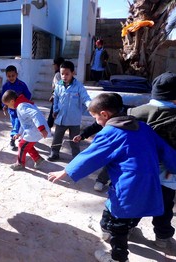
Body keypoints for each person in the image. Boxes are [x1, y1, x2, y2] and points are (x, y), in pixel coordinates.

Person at [48, 93, 176, 262]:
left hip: (127, 189)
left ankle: (118, 257)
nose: (97, 122)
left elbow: (89, 156)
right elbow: (166, 151)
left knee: (118, 227)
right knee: (118, 211)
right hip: (149, 185)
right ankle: (110, 229)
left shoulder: (110, 132)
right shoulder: (143, 127)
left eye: (95, 117)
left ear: (104, 115)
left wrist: (65, 172)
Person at [127, 71, 176, 249]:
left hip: (141, 171)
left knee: (139, 201)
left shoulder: (134, 112)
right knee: (164, 206)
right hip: (168, 175)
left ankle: (129, 228)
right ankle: (162, 238)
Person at [47, 60, 91, 161]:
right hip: (61, 118)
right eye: (62, 74)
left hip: (74, 119)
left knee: (74, 139)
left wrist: (90, 105)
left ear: (73, 73)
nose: (64, 76)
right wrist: (55, 110)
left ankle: (76, 156)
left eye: (67, 74)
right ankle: (54, 153)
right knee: (57, 137)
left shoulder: (79, 86)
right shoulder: (58, 85)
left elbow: (85, 98)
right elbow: (56, 98)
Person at [1, 90, 50, 171]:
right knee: (27, 145)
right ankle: (38, 159)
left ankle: (20, 164)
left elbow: (35, 114)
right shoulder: (21, 105)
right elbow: (24, 122)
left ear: (12, 101)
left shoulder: (21, 107)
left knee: (21, 145)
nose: (8, 107)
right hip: (33, 131)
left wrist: (42, 129)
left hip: (36, 131)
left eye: (8, 105)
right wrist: (19, 133)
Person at [1, 65, 32, 151]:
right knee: (15, 124)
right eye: (9, 76)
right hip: (12, 110)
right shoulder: (5, 86)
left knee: (18, 124)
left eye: (13, 75)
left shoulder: (22, 85)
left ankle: (13, 140)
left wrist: (24, 103)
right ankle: (17, 137)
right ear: (6, 76)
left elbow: (28, 95)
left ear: (16, 74)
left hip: (21, 109)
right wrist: (4, 106)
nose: (11, 78)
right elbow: (3, 98)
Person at [48, 57, 65, 128]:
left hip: (58, 96)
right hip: (62, 96)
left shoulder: (58, 74)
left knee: (53, 112)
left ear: (57, 65)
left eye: (54, 64)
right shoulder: (62, 74)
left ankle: (48, 126)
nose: (53, 66)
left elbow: (58, 86)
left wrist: (53, 95)